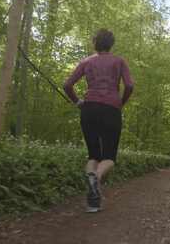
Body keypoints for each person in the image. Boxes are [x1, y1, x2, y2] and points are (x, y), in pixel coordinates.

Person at [63, 29, 134, 213]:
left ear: (95, 43)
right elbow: (129, 85)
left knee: (93, 155)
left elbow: (67, 85)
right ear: (111, 44)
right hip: (111, 109)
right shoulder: (119, 61)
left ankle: (93, 202)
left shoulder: (86, 61)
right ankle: (96, 177)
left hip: (89, 109)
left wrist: (78, 101)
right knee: (109, 157)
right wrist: (121, 102)